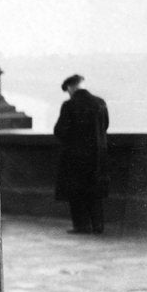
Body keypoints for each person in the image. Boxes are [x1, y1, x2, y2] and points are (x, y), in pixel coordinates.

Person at [54, 74, 110, 234]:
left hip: (75, 157)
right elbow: (105, 126)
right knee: (95, 191)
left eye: (68, 90)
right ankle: (98, 226)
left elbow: (60, 131)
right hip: (98, 156)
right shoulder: (100, 102)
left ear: (71, 87)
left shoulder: (69, 105)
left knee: (76, 192)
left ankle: (82, 226)